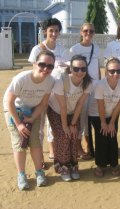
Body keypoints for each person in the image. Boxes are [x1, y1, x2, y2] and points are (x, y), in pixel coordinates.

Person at [3, 50, 55, 190]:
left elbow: (43, 104)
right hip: (15, 110)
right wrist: (19, 124)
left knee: (35, 141)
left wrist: (32, 119)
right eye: (42, 64)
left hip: (34, 110)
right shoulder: (22, 79)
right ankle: (21, 175)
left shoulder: (50, 81)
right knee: (20, 143)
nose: (46, 69)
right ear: (34, 64)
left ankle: (39, 172)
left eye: (50, 66)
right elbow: (9, 102)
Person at [28, 18, 70, 163]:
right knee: (39, 125)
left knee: (53, 123)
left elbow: (66, 69)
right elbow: (35, 70)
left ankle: (52, 150)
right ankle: (40, 158)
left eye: (56, 30)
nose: (54, 33)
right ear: (45, 31)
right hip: (41, 91)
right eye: (51, 30)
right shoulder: (37, 49)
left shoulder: (61, 49)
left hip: (56, 93)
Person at [47, 55, 92, 181]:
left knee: (74, 135)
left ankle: (73, 165)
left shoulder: (88, 83)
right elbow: (62, 106)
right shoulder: (61, 81)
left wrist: (72, 125)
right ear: (70, 69)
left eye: (83, 69)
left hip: (73, 111)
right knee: (63, 136)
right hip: (56, 110)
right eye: (76, 69)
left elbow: (79, 105)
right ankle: (62, 167)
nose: (80, 72)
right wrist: (65, 126)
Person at [89, 57, 120, 177]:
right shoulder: (100, 85)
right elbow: (100, 106)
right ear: (106, 72)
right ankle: (100, 165)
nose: (116, 74)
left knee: (112, 136)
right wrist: (103, 123)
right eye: (112, 71)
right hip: (97, 114)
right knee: (102, 137)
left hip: (112, 113)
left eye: (119, 71)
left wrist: (111, 123)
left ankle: (114, 164)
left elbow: (118, 106)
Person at [70, 22, 101, 160]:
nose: (89, 33)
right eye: (86, 31)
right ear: (81, 32)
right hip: (81, 88)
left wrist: (100, 84)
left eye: (91, 31)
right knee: (81, 118)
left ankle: (90, 147)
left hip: (95, 88)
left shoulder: (97, 48)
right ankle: (78, 147)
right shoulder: (74, 49)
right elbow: (71, 70)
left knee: (91, 116)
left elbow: (98, 68)